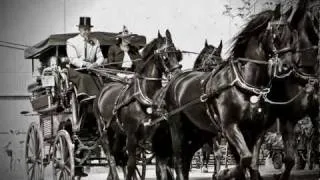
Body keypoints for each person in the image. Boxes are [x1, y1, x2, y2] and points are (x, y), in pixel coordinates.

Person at [66, 17, 104, 103]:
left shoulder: (95, 41)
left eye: (88, 29)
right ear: (79, 29)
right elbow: (73, 59)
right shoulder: (71, 41)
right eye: (84, 29)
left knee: (100, 80)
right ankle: (85, 97)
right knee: (84, 77)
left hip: (92, 69)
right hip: (76, 69)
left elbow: (100, 57)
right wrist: (85, 64)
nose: (86, 31)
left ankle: (100, 99)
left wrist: (96, 64)